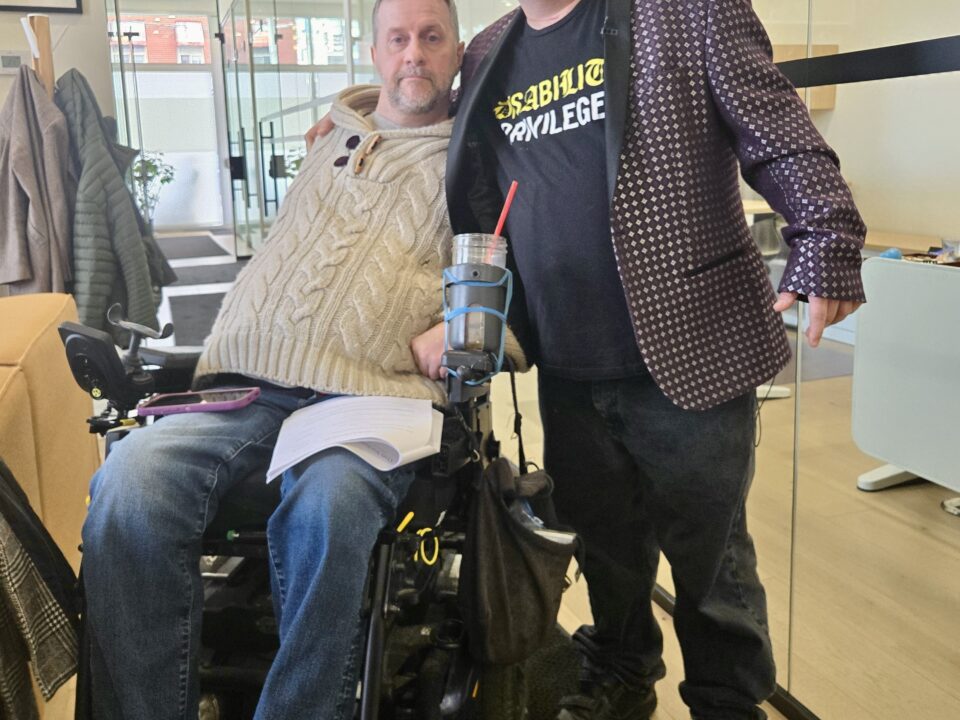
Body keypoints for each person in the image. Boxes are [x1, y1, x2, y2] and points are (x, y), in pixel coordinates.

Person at [81, 1, 521, 718]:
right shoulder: (329, 140)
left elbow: (521, 283)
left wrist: (466, 327)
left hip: (371, 401)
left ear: (458, 52)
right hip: (248, 388)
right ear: (374, 53)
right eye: (398, 39)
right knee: (129, 484)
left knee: (329, 507)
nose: (414, 53)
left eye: (431, 37)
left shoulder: (479, 158)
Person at [441, 1, 867, 719]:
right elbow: (435, 133)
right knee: (603, 547)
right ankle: (621, 676)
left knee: (711, 563)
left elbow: (779, 133)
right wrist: (350, 119)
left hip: (689, 346)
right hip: (567, 360)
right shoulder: (488, 50)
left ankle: (727, 703)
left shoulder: (683, 9)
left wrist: (826, 237)